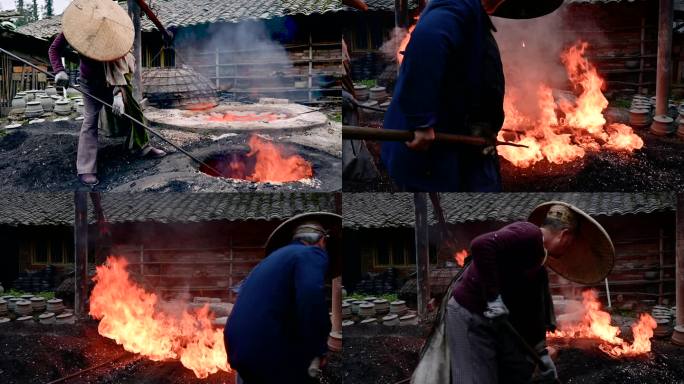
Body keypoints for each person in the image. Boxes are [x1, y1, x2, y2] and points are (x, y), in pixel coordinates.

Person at [380, 0, 562, 191]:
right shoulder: (452, 11)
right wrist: (421, 122)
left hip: (466, 140)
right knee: (450, 214)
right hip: (435, 155)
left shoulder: (470, 17)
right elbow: (429, 41)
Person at [446, 202, 615, 383]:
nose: (568, 251)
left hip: (495, 321)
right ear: (565, 235)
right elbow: (480, 245)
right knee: (476, 377)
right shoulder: (528, 233)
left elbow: (532, 312)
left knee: (514, 370)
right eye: (571, 243)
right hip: (468, 312)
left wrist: (541, 354)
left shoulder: (538, 266)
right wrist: (494, 298)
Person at [48, 0, 165, 187]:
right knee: (89, 121)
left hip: (114, 82)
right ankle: (86, 168)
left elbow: (121, 68)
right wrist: (59, 70)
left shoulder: (115, 33)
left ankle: (142, 147)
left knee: (135, 111)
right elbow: (54, 49)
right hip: (90, 83)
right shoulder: (76, 29)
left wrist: (118, 94)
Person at [225, 212, 341, 384]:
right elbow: (311, 297)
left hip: (236, 350)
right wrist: (318, 349)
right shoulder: (311, 253)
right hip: (267, 354)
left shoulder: (267, 263)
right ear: (322, 240)